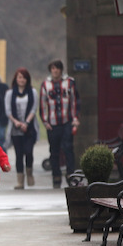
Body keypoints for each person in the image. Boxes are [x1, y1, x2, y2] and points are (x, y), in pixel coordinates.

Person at [39, 60, 80, 188]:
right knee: (54, 151)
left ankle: (70, 176)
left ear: (61, 70)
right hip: (52, 123)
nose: (55, 71)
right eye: (53, 68)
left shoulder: (69, 82)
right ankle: (56, 177)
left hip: (67, 121)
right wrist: (45, 121)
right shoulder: (45, 84)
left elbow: (75, 101)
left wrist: (75, 118)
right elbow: (42, 104)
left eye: (57, 68)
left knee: (68, 149)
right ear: (50, 70)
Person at [4, 67, 38, 189]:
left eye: (24, 77)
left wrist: (26, 123)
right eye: (19, 77)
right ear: (16, 79)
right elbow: (8, 111)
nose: (21, 80)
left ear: (27, 79)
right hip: (15, 129)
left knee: (28, 151)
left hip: (29, 128)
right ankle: (20, 180)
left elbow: (34, 109)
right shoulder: (10, 93)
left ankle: (29, 172)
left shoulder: (32, 92)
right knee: (19, 154)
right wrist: (16, 122)